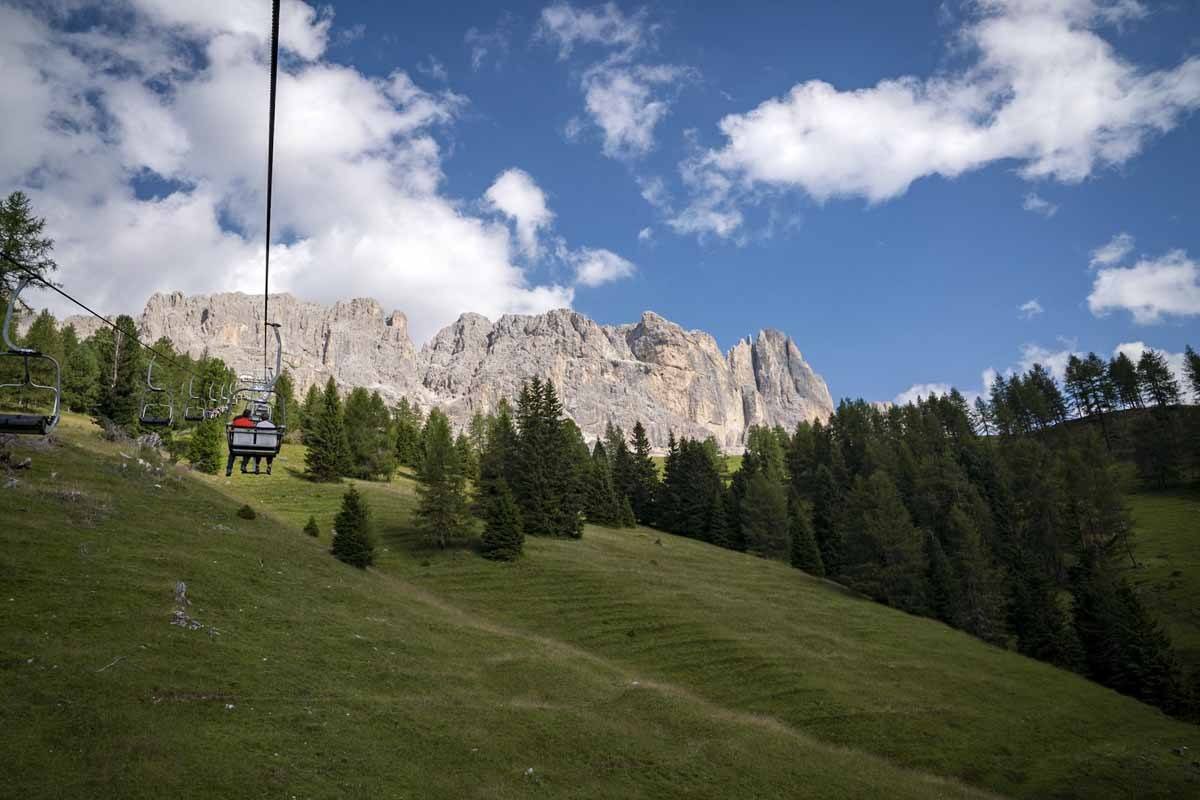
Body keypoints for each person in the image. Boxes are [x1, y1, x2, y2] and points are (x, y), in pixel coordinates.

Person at [225, 409, 256, 476]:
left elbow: (232, 430)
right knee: (249, 452)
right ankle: (244, 465)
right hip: (246, 445)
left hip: (236, 443)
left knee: (232, 454)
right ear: (249, 416)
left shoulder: (236, 421)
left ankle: (229, 469)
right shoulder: (251, 424)